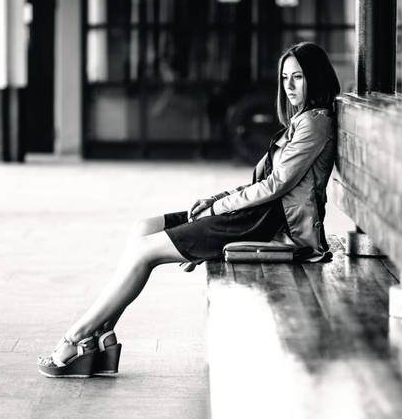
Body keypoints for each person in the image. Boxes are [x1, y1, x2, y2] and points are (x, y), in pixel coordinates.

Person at [37, 41, 341, 378]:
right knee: (144, 228)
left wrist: (215, 210)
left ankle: (76, 337)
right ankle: (102, 335)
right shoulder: (302, 121)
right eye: (285, 78)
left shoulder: (314, 123)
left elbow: (276, 186)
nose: (289, 86)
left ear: (315, 79)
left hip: (271, 225)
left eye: (298, 77)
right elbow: (265, 182)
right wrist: (216, 200)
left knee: (144, 251)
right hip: (257, 214)